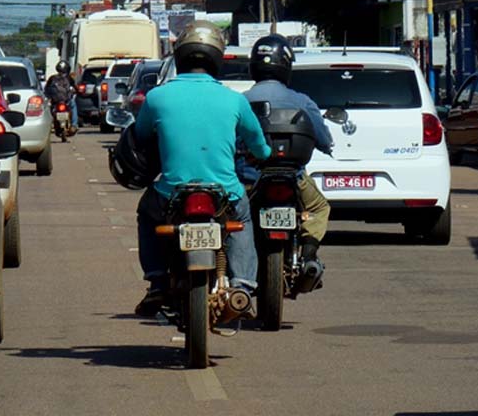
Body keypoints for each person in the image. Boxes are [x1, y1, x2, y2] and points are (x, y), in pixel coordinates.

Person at [133, 21, 271, 316]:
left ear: (180, 58)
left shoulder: (157, 97)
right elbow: (259, 147)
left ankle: (157, 282)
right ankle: (243, 285)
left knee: (146, 212)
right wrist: (264, 155)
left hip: (170, 193)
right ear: (217, 60)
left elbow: (141, 136)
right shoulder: (235, 99)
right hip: (226, 194)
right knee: (243, 219)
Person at [241, 34, 333, 289]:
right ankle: (309, 256)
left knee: (236, 220)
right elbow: (324, 139)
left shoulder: (241, 100)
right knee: (319, 208)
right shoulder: (302, 101)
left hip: (249, 179)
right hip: (294, 178)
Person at [44, 60, 78, 130]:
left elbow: (46, 89)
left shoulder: (52, 78)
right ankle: (74, 125)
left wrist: (49, 96)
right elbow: (75, 87)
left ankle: (50, 124)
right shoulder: (69, 78)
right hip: (66, 100)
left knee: (48, 108)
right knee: (73, 105)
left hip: (55, 101)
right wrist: (77, 92)